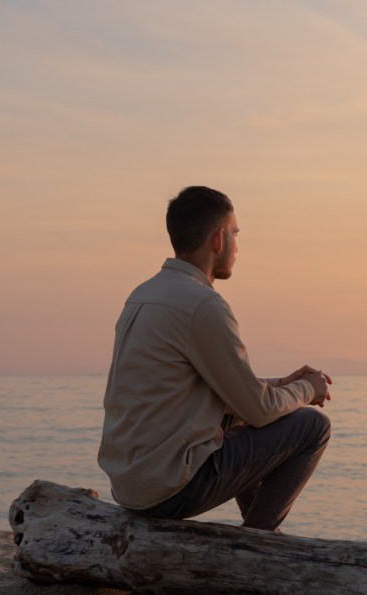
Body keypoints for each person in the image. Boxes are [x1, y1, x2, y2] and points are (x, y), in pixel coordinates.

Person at [97, 185, 332, 532]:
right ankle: (257, 545)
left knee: (234, 418)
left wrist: (282, 383)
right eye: (236, 233)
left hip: (131, 486)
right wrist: (306, 390)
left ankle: (259, 533)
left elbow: (205, 388)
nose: (238, 245)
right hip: (170, 490)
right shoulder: (203, 305)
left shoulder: (143, 295)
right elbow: (258, 409)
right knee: (312, 427)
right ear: (219, 239)